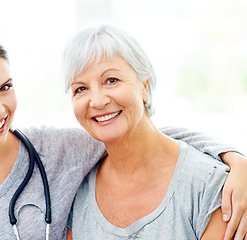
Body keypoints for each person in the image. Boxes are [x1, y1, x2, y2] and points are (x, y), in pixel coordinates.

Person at [0, 23, 245, 240]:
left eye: (5, 87)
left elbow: (139, 134)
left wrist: (236, 159)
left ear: (145, 86)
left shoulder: (55, 152)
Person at [62, 24, 247, 239]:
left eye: (111, 80)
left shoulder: (212, 186)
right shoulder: (78, 190)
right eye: (80, 89)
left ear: (144, 86)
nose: (97, 101)